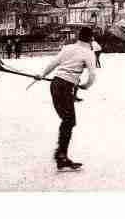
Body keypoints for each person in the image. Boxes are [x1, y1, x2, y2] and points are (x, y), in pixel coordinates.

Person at [34, 27, 96, 171]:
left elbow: (53, 63)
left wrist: (42, 74)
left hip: (55, 84)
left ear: (79, 37)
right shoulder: (89, 53)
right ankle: (61, 156)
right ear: (91, 38)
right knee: (69, 120)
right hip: (65, 87)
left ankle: (61, 154)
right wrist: (86, 86)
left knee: (67, 120)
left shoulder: (68, 48)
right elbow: (92, 75)